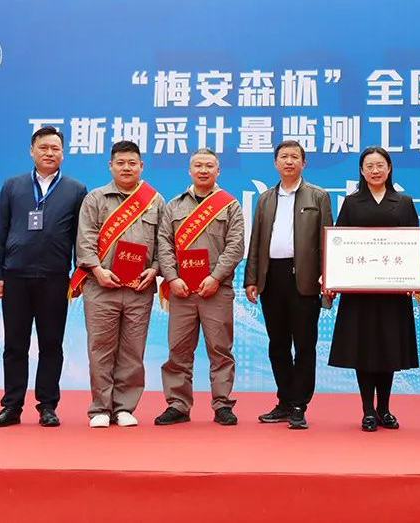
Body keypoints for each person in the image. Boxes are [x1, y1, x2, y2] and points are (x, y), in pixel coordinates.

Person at [0, 126, 87, 428]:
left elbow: (80, 238)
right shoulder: (12, 186)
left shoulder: (75, 189)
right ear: (32, 151)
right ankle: (11, 406)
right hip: (15, 277)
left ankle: (47, 405)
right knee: (14, 344)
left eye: (55, 148)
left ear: (63, 154)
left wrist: (78, 275)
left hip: (55, 278)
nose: (49, 153)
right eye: (43, 147)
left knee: (51, 344)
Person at [327, 146, 419, 431]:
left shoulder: (403, 202)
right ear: (362, 171)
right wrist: (332, 277)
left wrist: (414, 278)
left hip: (393, 291)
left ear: (389, 169)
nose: (375, 170)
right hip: (360, 291)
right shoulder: (351, 203)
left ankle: (384, 409)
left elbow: (413, 245)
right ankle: (367, 410)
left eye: (380, 165)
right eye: (369, 166)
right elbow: (339, 243)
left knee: (388, 349)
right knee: (363, 349)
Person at [73, 140, 163, 428]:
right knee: (101, 348)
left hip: (139, 288)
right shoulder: (95, 199)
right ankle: (100, 407)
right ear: (110, 166)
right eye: (121, 163)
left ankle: (124, 407)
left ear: (141, 166)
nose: (127, 168)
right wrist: (98, 271)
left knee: (133, 350)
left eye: (132, 163)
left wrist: (155, 270)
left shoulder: (155, 201)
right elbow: (85, 240)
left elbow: (164, 243)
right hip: (101, 286)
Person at [244, 140, 332, 429]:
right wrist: (251, 279)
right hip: (272, 277)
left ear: (303, 163)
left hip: (305, 278)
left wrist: (328, 277)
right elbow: (256, 241)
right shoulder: (265, 199)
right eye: (284, 157)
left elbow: (327, 240)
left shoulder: (318, 196)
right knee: (278, 344)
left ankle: (298, 405)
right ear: (275, 163)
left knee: (304, 345)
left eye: (295, 157)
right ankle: (284, 400)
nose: (289, 161)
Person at [154, 148, 244, 426]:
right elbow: (164, 244)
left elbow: (236, 245)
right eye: (198, 166)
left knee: (220, 350)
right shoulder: (174, 206)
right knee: (178, 350)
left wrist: (215, 277)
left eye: (209, 166)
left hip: (216, 289)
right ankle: (178, 404)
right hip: (181, 290)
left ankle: (222, 404)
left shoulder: (229, 205)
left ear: (218, 171)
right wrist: (172, 278)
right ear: (189, 170)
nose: (203, 170)